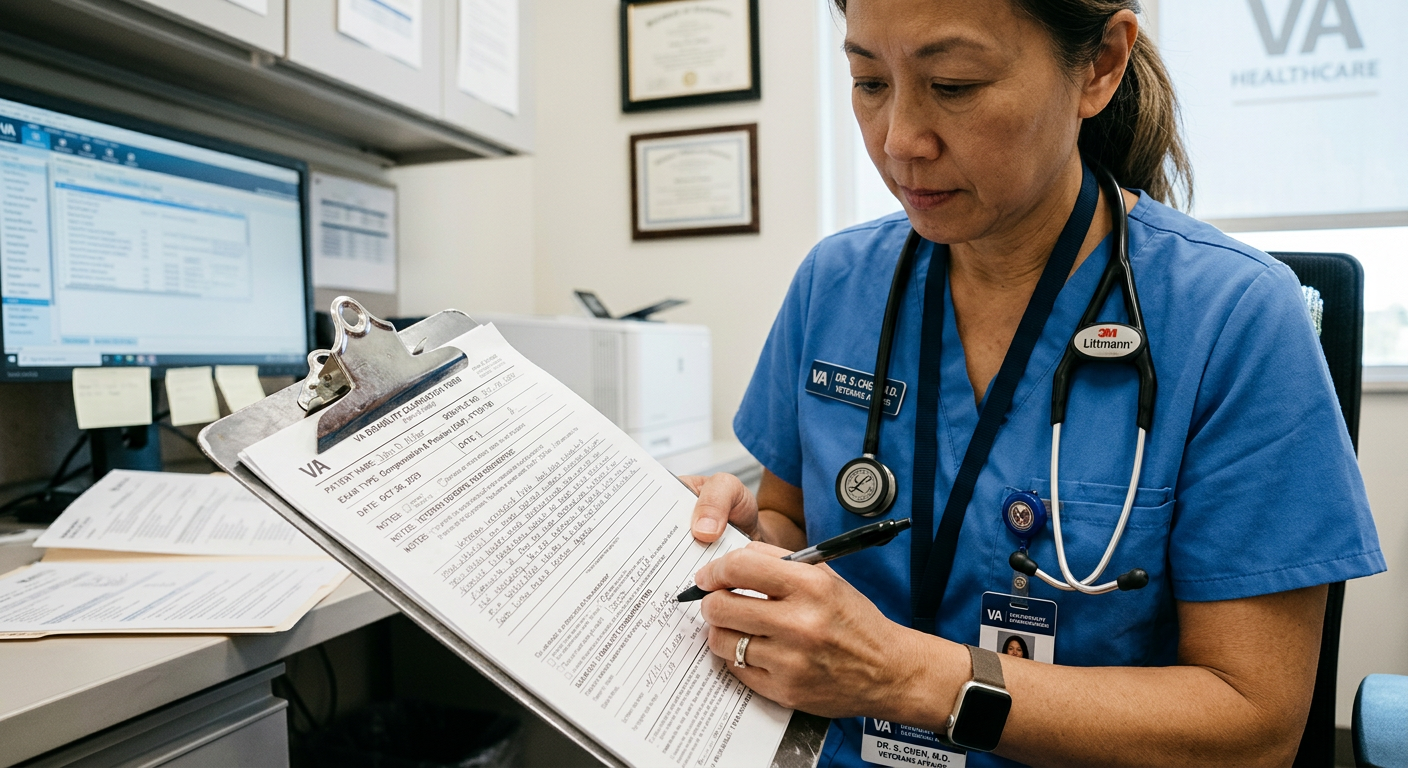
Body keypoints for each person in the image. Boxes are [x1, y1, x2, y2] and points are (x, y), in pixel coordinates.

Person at [680, 1, 1385, 766]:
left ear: (1102, 64)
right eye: (869, 80)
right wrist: (751, 542)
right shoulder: (837, 283)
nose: (898, 140)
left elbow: (1253, 727)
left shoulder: (1233, 316)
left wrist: (908, 677)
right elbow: (795, 520)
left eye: (953, 84)